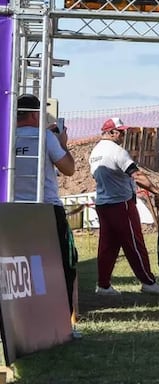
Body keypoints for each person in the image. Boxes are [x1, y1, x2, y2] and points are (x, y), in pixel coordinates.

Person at [13, 94, 80, 334]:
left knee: (19, 271)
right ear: (34, 115)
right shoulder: (46, 138)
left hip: (13, 212)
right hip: (47, 210)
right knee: (63, 265)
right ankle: (63, 324)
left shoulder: (6, 138)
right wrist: (61, 142)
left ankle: (21, 324)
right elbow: (69, 169)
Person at [88, 117, 159, 295]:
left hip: (103, 203)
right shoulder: (117, 151)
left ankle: (103, 285)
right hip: (121, 203)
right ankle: (148, 282)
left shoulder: (95, 152)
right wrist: (155, 191)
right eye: (121, 132)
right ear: (112, 132)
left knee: (108, 246)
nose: (123, 136)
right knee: (134, 243)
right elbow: (136, 175)